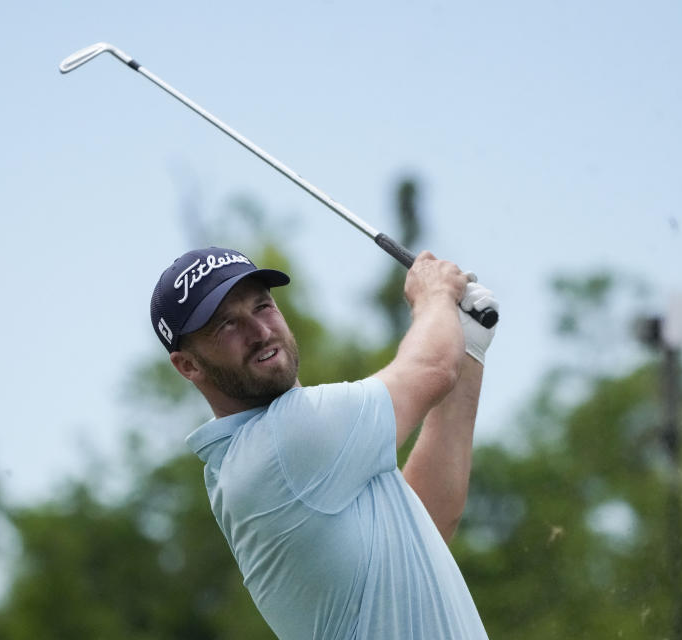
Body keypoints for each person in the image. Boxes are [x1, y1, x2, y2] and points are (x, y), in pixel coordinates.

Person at [150, 246, 498, 639]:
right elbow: (433, 366)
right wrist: (435, 294)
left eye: (262, 306)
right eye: (226, 325)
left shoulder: (298, 460)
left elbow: (428, 522)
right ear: (188, 365)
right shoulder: (283, 441)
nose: (260, 332)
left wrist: (467, 347)